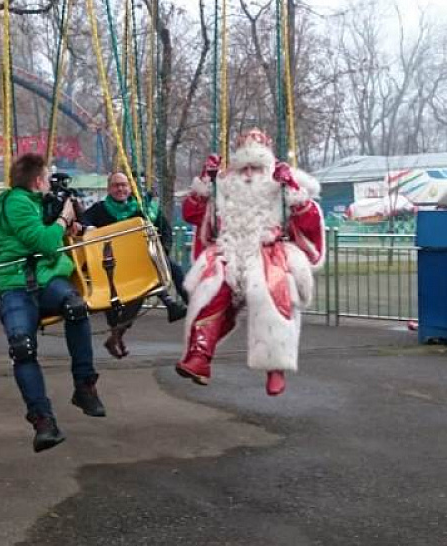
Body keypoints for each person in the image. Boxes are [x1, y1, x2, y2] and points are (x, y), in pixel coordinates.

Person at [176, 129, 325, 397]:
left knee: (270, 291)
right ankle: (199, 356)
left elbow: (310, 221)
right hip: (228, 248)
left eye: (255, 166)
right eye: (245, 166)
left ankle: (275, 366)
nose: (248, 175)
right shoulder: (222, 182)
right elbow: (191, 213)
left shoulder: (282, 180)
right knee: (211, 289)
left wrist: (291, 189)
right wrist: (203, 182)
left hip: (268, 250)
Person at [0, 153, 103, 453]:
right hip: (16, 284)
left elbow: (56, 234)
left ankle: (84, 384)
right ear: (37, 180)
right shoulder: (16, 202)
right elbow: (44, 241)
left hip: (47, 279)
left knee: (75, 307)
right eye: (46, 177)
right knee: (22, 346)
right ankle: (43, 420)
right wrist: (64, 218)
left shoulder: (41, 203)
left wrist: (70, 224)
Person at [80, 171, 187, 359]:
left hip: (141, 260)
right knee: (119, 299)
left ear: (130, 188)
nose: (120, 189)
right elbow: (84, 220)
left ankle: (191, 305)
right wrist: (88, 227)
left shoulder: (141, 208)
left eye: (124, 185)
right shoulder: (100, 209)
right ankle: (118, 334)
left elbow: (165, 229)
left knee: (173, 269)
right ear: (109, 188)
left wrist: (163, 251)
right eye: (116, 185)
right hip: (112, 265)